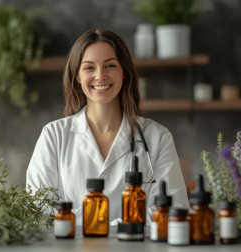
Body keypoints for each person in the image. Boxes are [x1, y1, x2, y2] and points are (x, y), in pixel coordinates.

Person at [26, 29, 189, 225]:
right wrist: (122, 223)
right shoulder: (53, 136)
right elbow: (36, 212)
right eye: (89, 68)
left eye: (110, 65)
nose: (100, 76)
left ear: (124, 72)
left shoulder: (157, 137)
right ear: (77, 76)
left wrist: (85, 222)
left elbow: (174, 212)